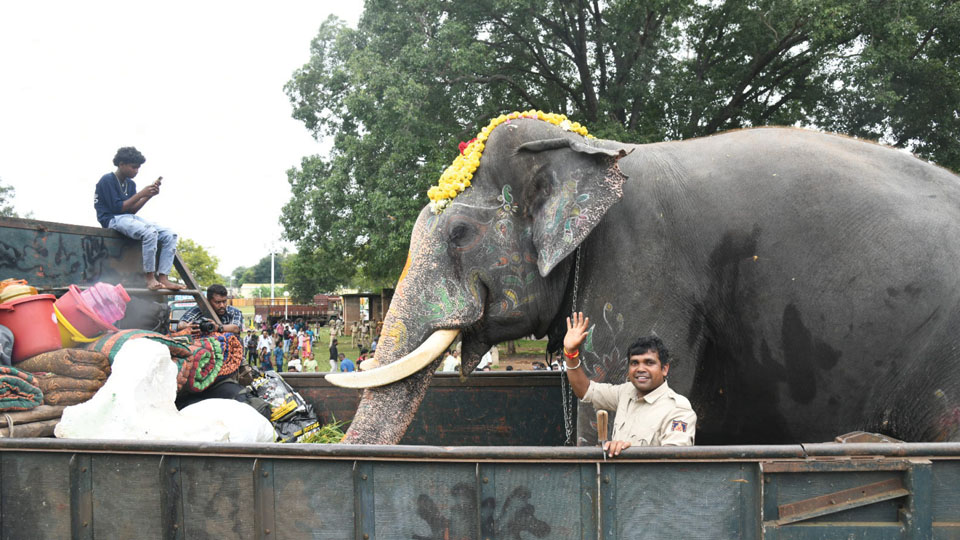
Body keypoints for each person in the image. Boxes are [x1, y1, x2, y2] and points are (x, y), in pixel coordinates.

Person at [563, 312, 696, 456]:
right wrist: (571, 353)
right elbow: (585, 390)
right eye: (634, 363)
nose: (640, 369)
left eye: (649, 363)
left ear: (664, 369)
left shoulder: (678, 409)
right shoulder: (625, 392)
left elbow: (673, 461)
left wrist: (629, 452)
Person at [94, 147, 185, 291]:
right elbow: (118, 208)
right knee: (150, 232)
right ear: (121, 164)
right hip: (111, 219)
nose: (136, 171)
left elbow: (132, 209)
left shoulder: (130, 184)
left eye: (138, 168)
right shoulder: (107, 180)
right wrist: (141, 193)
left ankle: (163, 278)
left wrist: (148, 195)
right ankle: (149, 277)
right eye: (133, 167)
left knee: (169, 234)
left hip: (128, 217)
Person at [178, 284, 243, 335]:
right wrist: (187, 326)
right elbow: (181, 324)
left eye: (224, 301)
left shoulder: (234, 312)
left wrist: (217, 328)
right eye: (217, 302)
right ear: (208, 301)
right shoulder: (198, 310)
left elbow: (236, 328)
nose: (222, 305)